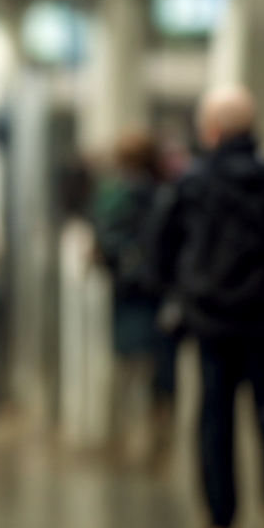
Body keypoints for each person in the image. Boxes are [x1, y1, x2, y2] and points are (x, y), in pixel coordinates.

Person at [146, 84, 264, 528]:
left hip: (209, 319)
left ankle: (220, 522)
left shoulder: (189, 183)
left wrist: (180, 292)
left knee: (215, 417)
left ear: (209, 128)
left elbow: (159, 249)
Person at [89, 130, 175, 466]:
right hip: (160, 293)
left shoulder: (113, 196)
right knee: (161, 369)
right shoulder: (166, 193)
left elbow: (103, 241)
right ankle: (157, 439)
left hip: (127, 295)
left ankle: (121, 436)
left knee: (125, 365)